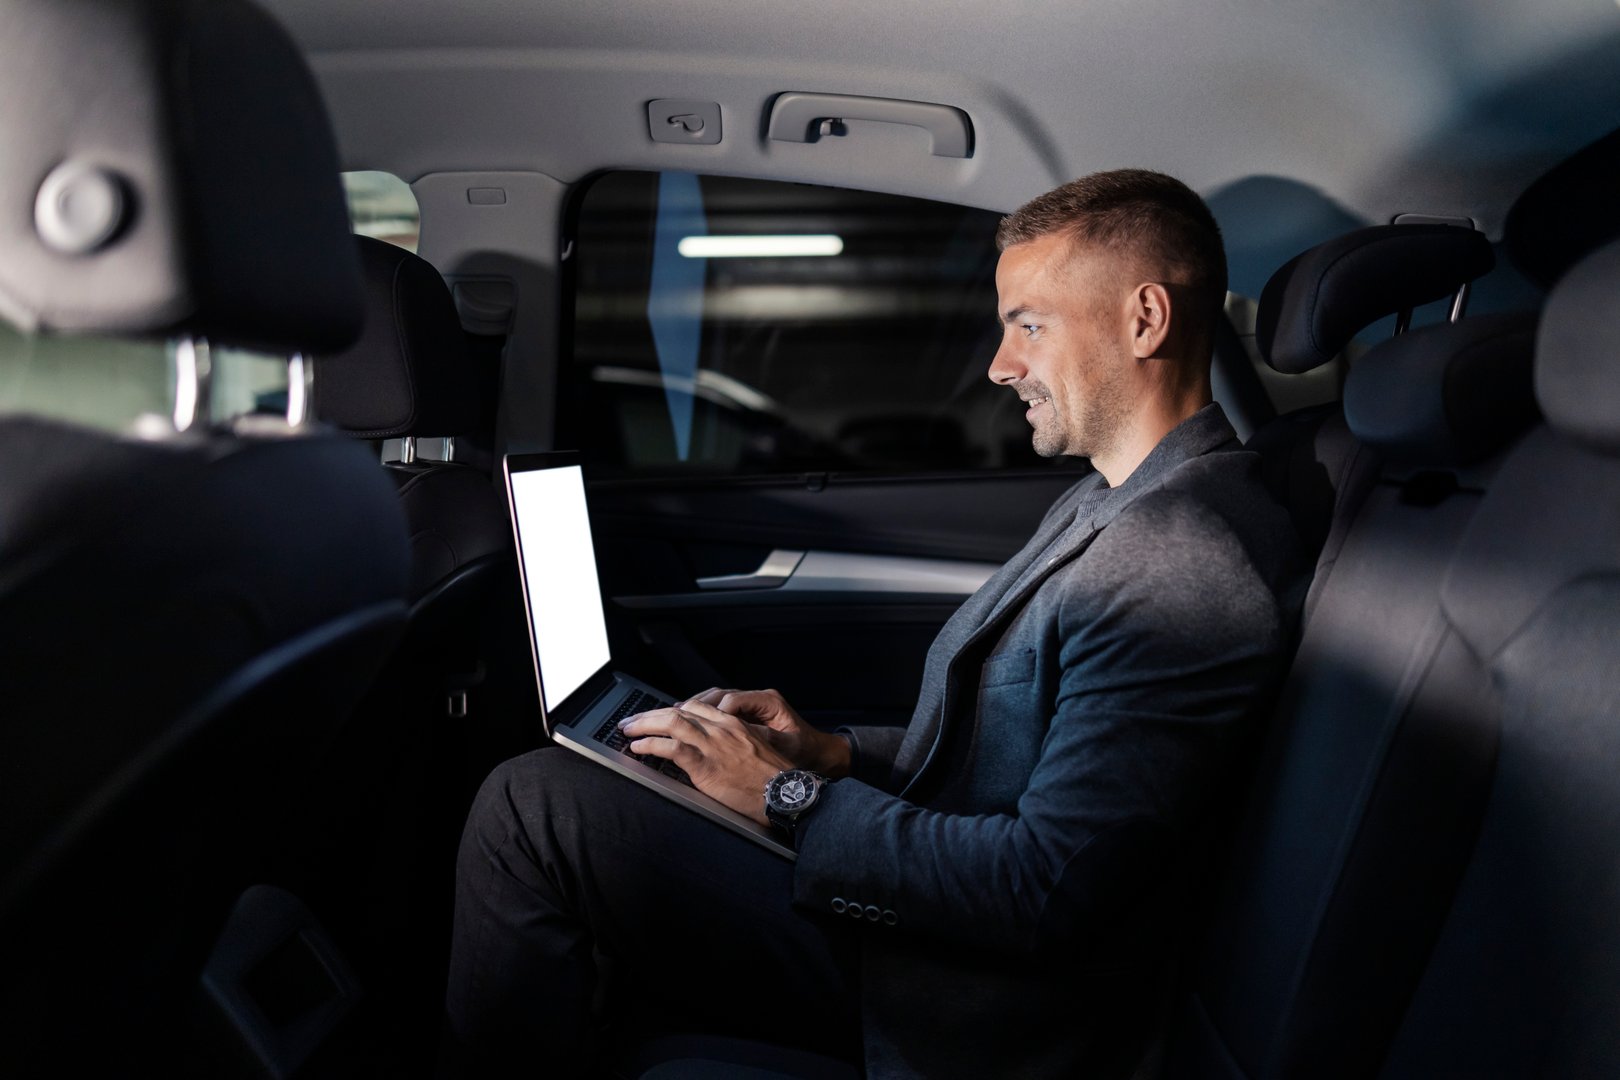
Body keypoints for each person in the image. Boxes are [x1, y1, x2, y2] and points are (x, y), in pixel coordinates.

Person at [446, 169, 1306, 1079]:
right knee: (577, 788)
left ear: (1145, 320)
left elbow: (1044, 889)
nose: (1000, 364)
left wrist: (784, 799)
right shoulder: (1117, 502)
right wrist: (830, 755)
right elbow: (1009, 753)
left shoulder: (1183, 557)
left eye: (1029, 324)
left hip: (968, 1005)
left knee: (530, 809)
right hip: (939, 934)